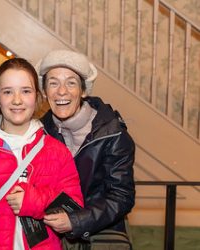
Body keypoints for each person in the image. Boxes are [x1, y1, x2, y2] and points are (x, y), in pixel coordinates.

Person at [0, 58, 84, 249]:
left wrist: (32, 201)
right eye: (8, 92)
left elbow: (73, 206)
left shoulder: (56, 151)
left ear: (37, 96)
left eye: (26, 91)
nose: (17, 100)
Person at [38, 49, 135, 248]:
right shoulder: (38, 132)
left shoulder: (113, 134)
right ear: (44, 91)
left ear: (83, 91)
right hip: (52, 237)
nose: (61, 91)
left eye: (71, 82)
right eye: (53, 83)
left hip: (100, 237)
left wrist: (76, 221)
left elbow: (122, 197)